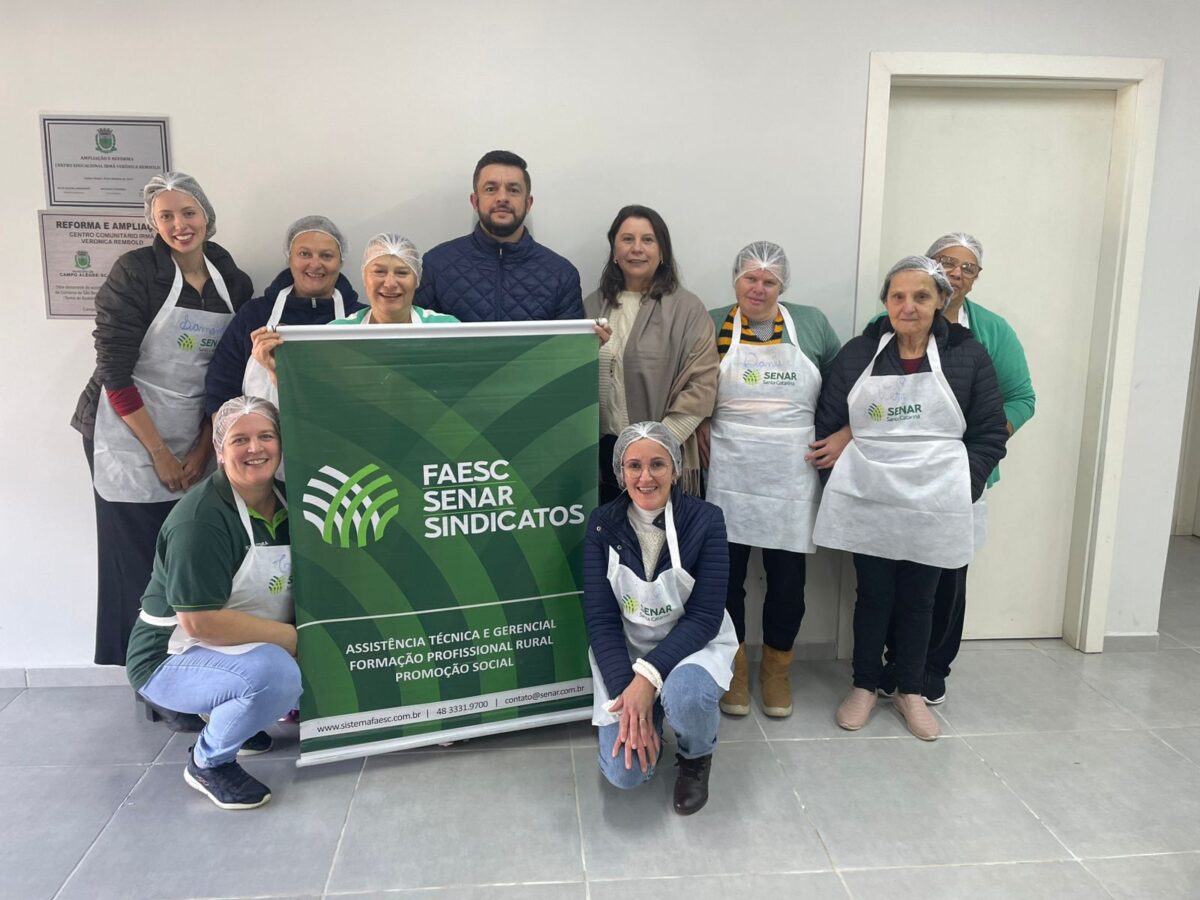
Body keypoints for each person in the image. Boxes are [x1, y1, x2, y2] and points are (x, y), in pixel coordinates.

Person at [813, 256, 1007, 740]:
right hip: (872, 496)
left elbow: (988, 434)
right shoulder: (861, 353)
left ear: (941, 301)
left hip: (936, 501)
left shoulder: (968, 356)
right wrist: (844, 457)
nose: (909, 306)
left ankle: (910, 689)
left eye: (921, 296)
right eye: (898, 296)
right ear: (885, 302)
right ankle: (864, 685)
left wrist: (963, 486)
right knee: (873, 595)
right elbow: (829, 420)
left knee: (921, 600)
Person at [72, 172, 253, 665]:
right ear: (153, 222)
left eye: (188, 213)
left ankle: (197, 667)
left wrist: (199, 449)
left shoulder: (230, 278)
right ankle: (152, 678)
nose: (179, 225)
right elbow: (114, 371)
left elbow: (225, 371)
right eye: (166, 215)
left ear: (207, 217)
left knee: (192, 555)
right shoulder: (135, 273)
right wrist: (159, 453)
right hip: (127, 430)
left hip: (196, 429)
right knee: (138, 562)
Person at [878, 233, 1036, 704]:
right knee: (893, 567)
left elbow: (1021, 397)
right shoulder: (885, 323)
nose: (956, 272)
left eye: (968, 267)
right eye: (946, 262)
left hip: (960, 472)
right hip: (898, 472)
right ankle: (893, 662)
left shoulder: (990, 331)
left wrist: (976, 451)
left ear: (975, 278)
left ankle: (931, 666)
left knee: (946, 573)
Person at [126, 396, 300, 810]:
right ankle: (208, 761)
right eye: (240, 439)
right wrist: (297, 639)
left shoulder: (287, 501)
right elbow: (200, 623)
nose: (255, 449)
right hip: (169, 657)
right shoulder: (201, 520)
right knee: (278, 675)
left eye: (266, 436)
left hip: (235, 646)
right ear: (220, 451)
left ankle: (232, 714)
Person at [697, 242, 841, 718]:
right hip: (729, 469)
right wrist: (696, 423)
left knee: (787, 583)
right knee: (726, 580)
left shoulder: (812, 324)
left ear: (783, 286)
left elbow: (842, 385)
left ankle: (776, 672)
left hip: (791, 471)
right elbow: (692, 382)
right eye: (749, 279)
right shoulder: (712, 321)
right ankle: (734, 670)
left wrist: (841, 435)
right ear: (735, 279)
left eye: (769, 281)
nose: (758, 288)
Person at [583, 422, 737, 815]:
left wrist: (649, 678)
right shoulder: (602, 525)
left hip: (693, 648)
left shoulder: (706, 521)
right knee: (624, 774)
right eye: (634, 466)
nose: (645, 476)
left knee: (686, 695)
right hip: (628, 653)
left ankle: (695, 755)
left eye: (657, 464)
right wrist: (629, 693)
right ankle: (649, 718)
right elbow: (601, 620)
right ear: (621, 473)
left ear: (676, 468)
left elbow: (704, 617)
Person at [584, 205, 719, 502]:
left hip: (664, 453)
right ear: (614, 250)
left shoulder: (687, 309)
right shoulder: (591, 307)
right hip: (602, 455)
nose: (637, 249)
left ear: (662, 252)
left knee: (664, 546)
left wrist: (658, 442)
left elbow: (702, 383)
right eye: (627, 239)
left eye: (648, 240)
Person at [247, 233, 459, 384]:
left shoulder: (447, 329)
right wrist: (278, 371)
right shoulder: (335, 334)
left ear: (417, 280)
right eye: (379, 272)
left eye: (402, 273)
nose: (390, 283)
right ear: (364, 278)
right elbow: (313, 400)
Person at [205, 215, 362, 413]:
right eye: (304, 254)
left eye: (326, 255)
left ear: (341, 261)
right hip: (261, 442)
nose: (315, 264)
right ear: (290, 258)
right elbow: (221, 390)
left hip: (341, 440)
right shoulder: (255, 314)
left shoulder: (361, 318)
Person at [414, 150, 583, 321]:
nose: (502, 198)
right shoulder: (437, 265)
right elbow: (418, 341)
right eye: (490, 189)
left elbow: (570, 346)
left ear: (528, 203)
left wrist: (590, 342)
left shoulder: (562, 274)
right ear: (475, 201)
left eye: (513, 190)